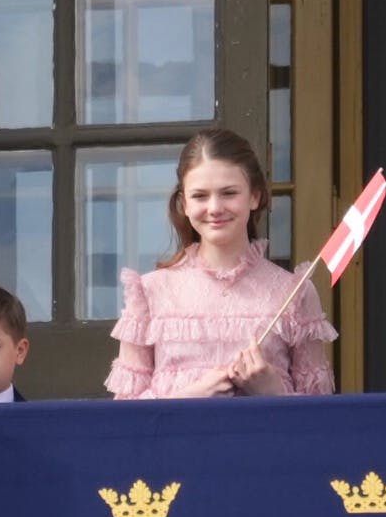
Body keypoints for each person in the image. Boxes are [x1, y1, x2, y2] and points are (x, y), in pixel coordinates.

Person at [104, 128, 336, 399]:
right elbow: (125, 422)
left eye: (228, 193)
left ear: (255, 196)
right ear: (184, 204)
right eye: (200, 196)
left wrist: (272, 393)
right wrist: (189, 398)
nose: (214, 208)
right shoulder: (150, 293)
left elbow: (318, 421)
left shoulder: (295, 293)